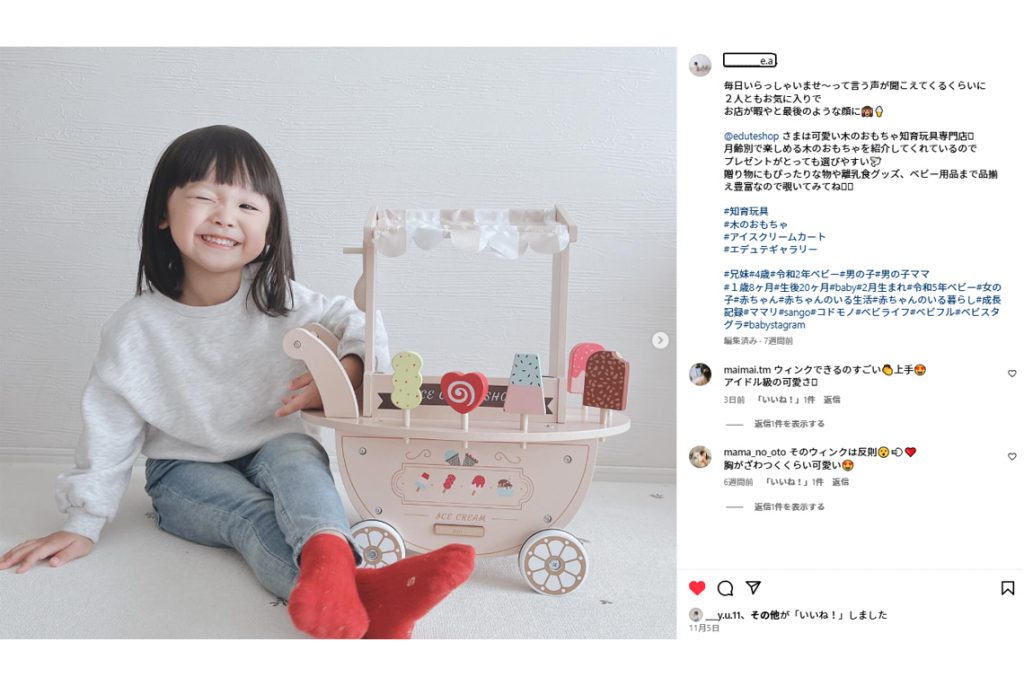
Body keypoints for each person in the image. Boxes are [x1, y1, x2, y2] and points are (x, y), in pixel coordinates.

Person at [0, 125, 475, 639]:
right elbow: (109, 429)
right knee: (250, 516)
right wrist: (83, 522)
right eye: (204, 197)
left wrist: (349, 371)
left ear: (269, 230)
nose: (225, 216)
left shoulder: (282, 299)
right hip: (182, 470)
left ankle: (335, 566)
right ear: (163, 214)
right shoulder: (136, 328)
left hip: (275, 445)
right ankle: (365, 596)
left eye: (247, 206)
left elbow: (363, 318)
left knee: (299, 460)